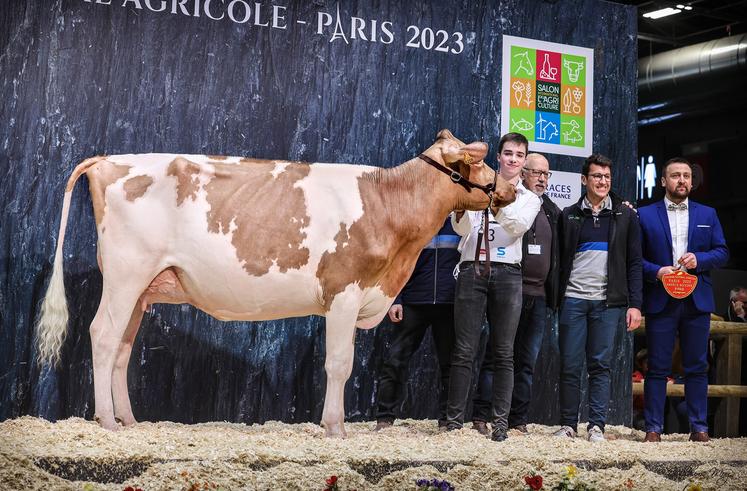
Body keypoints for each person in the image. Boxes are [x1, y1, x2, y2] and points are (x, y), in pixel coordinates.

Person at [445, 132, 541, 442]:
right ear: (499, 156)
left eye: (519, 155)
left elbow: (517, 227)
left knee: (504, 353)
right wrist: (461, 206)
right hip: (473, 268)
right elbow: (462, 228)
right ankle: (453, 424)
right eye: (508, 153)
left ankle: (500, 425)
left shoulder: (530, 198)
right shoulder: (477, 184)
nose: (513, 159)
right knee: (463, 350)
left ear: (524, 162)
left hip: (509, 274)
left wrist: (497, 203)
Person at [638, 157, 729, 442]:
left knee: (697, 367)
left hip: (697, 300)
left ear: (692, 181)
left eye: (686, 176)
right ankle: (653, 429)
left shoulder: (708, 214)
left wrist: (699, 259)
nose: (682, 180)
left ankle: (699, 428)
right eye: (675, 175)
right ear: (663, 181)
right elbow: (635, 260)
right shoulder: (645, 215)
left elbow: (722, 252)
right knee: (657, 367)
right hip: (661, 298)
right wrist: (657, 271)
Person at [554, 153, 642, 442]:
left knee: (600, 365)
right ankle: (568, 425)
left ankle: (597, 427)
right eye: (596, 176)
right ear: (584, 180)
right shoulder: (568, 215)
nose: (602, 181)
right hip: (573, 300)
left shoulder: (625, 215)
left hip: (608, 303)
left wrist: (635, 305)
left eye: (606, 177)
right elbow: (558, 261)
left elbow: (634, 263)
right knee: (569, 364)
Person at [470, 153, 561, 435]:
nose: (542, 178)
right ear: (523, 173)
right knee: (496, 357)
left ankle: (517, 420)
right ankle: (482, 416)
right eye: (536, 172)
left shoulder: (553, 211)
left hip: (539, 296)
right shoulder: (512, 202)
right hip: (509, 290)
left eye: (546, 174)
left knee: (526, 362)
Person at [374, 219, 460, 430]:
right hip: (413, 302)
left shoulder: (461, 224)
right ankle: (384, 419)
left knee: (451, 366)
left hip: (450, 304)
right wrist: (396, 299)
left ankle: (446, 421)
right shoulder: (417, 220)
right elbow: (397, 262)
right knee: (395, 361)